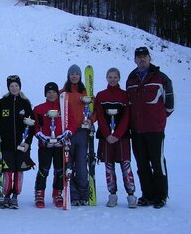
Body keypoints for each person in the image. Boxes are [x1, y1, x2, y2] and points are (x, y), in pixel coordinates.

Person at [126, 47, 174, 209]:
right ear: (135, 59)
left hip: (155, 129)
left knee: (157, 162)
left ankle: (160, 196)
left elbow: (170, 105)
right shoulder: (131, 79)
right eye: (138, 57)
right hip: (137, 130)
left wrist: (158, 119)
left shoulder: (161, 78)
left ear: (149, 57)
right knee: (142, 163)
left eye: (144, 56)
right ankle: (147, 194)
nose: (142, 59)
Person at [0, 75, 35, 209]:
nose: (14, 88)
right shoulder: (3, 102)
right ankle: (6, 196)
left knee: (19, 172)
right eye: (11, 86)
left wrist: (28, 142)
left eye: (16, 86)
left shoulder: (25, 103)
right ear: (8, 87)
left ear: (20, 87)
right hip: (6, 145)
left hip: (21, 145)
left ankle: (15, 196)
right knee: (8, 172)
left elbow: (31, 126)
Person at [95, 68, 137, 208]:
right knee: (109, 166)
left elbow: (127, 117)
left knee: (125, 165)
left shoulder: (125, 95)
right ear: (106, 78)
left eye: (115, 77)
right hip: (106, 137)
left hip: (122, 136)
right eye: (110, 77)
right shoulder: (100, 96)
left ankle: (131, 195)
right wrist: (107, 134)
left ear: (119, 78)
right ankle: (112, 194)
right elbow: (100, 116)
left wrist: (117, 134)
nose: (112, 79)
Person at [33, 82, 74, 208]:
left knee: (59, 169)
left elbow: (71, 122)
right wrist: (41, 137)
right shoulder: (39, 109)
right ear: (45, 94)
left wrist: (66, 134)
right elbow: (36, 126)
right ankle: (39, 193)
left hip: (60, 145)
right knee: (43, 169)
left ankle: (57, 193)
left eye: (54, 92)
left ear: (58, 93)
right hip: (45, 145)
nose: (51, 94)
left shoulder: (64, 108)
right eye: (49, 92)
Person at [60, 64, 91, 206]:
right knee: (68, 164)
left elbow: (94, 111)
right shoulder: (63, 93)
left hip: (82, 133)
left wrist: (91, 120)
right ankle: (72, 194)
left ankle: (84, 193)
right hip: (67, 133)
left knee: (81, 165)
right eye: (71, 74)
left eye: (76, 74)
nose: (74, 76)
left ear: (80, 76)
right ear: (68, 76)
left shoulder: (85, 93)